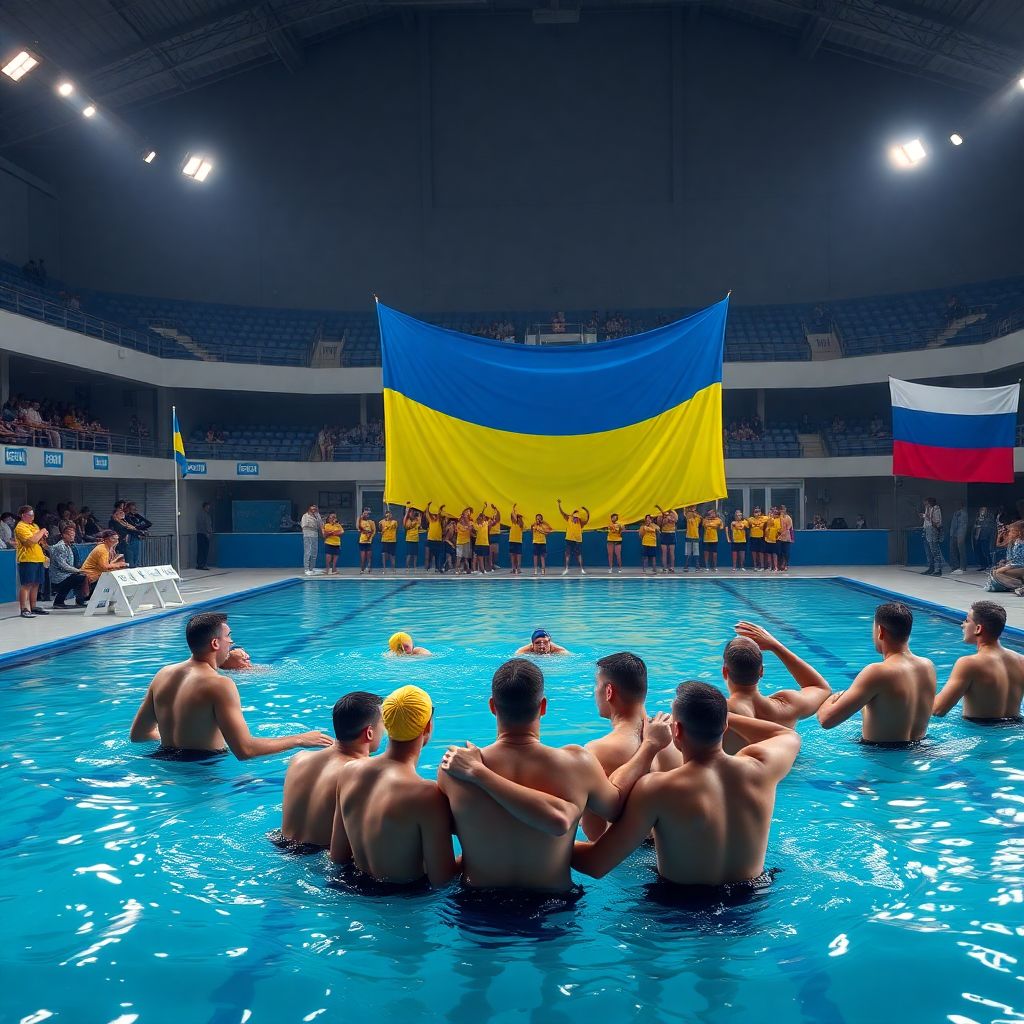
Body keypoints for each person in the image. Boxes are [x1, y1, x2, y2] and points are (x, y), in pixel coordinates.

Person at [437, 660, 673, 892]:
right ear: (543, 706)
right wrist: (649, 746)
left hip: (473, 907)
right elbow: (616, 807)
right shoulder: (577, 764)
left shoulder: (453, 770)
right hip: (553, 909)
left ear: (492, 706)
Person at [571, 682, 801, 896]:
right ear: (725, 725)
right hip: (754, 898)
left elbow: (595, 864)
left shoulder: (657, 788)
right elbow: (786, 734)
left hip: (681, 909)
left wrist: (552, 840)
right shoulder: (762, 767)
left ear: (676, 730)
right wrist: (717, 714)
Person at [129, 612, 332, 759]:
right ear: (215, 643)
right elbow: (245, 750)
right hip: (203, 774)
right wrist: (300, 739)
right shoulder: (220, 684)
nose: (232, 642)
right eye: (228, 637)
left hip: (162, 763)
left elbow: (139, 735)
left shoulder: (163, 674)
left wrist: (181, 740)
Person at [329, 685, 459, 889]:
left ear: (387, 724)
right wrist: (478, 856)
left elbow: (337, 856)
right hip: (406, 900)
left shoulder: (349, 772)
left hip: (355, 888)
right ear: (427, 727)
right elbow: (442, 880)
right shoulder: (426, 794)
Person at [581, 651, 682, 839]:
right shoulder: (676, 738)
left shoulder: (596, 750)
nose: (594, 691)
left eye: (596, 684)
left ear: (609, 691)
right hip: (671, 846)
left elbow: (594, 833)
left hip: (627, 851)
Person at [817, 602, 936, 745]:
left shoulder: (877, 672)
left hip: (880, 754)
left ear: (880, 631)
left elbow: (826, 720)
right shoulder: (928, 666)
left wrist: (831, 697)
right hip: (921, 749)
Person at [280, 692, 383, 850]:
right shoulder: (360, 773)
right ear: (369, 732)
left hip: (280, 845)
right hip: (321, 857)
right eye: (383, 724)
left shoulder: (299, 758)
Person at [722, 623, 831, 747]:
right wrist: (775, 646)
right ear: (761, 671)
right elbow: (820, 687)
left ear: (725, 672)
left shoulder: (720, 712)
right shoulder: (787, 705)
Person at [932, 601, 1024, 724]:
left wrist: (918, 693)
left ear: (978, 628)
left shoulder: (969, 664)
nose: (962, 625)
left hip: (979, 731)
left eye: (967, 621)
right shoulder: (1021, 660)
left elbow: (938, 709)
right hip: (1015, 727)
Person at [14, 505, 49, 619]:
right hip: (27, 559)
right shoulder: (20, 527)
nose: (32, 517)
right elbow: (31, 541)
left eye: (33, 515)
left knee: (36, 584)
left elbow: (39, 541)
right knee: (27, 584)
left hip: (38, 558)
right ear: (22, 515)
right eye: (30, 515)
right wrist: (42, 531)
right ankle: (24, 608)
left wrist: (43, 536)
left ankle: (33, 607)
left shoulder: (34, 526)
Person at [49, 522, 89, 608]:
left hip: (66, 573)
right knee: (79, 577)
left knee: (83, 576)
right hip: (59, 575)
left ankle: (80, 600)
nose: (72, 537)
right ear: (63, 535)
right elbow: (63, 565)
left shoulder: (68, 546)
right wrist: (78, 571)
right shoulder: (60, 547)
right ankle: (58, 602)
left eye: (73, 535)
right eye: (70, 535)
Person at [987, 520, 1024, 594]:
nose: (1010, 533)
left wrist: (1005, 568)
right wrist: (1004, 563)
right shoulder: (1013, 542)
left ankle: (1018, 585)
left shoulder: (1020, 544)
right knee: (994, 572)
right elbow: (999, 545)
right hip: (1015, 566)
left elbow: (1019, 562)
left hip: (1021, 567)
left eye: (1012, 532)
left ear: (1019, 533)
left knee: (998, 574)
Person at [558, 499, 590, 576]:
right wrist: (559, 504)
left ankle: (582, 569)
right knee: (567, 554)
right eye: (574, 516)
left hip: (577, 540)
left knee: (579, 554)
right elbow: (562, 513)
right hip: (569, 539)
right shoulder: (569, 518)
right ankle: (566, 569)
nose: (575, 518)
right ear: (572, 516)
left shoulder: (581, 522)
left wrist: (586, 510)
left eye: (577, 517)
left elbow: (587, 519)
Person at [921, 497, 943, 576]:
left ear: (930, 503)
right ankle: (931, 568)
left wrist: (926, 516)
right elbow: (926, 521)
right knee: (928, 551)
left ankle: (938, 569)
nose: (925, 505)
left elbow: (936, 522)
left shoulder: (936, 509)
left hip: (933, 531)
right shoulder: (927, 509)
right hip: (927, 530)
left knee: (935, 551)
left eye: (926, 503)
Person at [300, 504, 323, 576]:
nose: (314, 509)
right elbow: (304, 526)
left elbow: (320, 524)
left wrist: (318, 515)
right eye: (312, 508)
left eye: (315, 508)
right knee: (308, 552)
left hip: (315, 534)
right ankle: (306, 569)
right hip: (307, 534)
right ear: (309, 508)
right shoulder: (305, 516)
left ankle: (311, 568)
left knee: (314, 552)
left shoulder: (317, 516)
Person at [655, 505, 678, 573]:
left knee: (671, 552)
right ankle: (664, 568)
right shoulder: (660, 515)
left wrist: (669, 518)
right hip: (664, 534)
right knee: (664, 552)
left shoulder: (673, 512)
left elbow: (675, 520)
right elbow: (659, 524)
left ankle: (672, 567)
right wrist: (664, 519)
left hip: (671, 534)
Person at [424, 502, 446, 573]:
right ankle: (427, 568)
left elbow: (439, 515)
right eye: (433, 515)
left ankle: (438, 568)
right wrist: (428, 506)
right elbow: (427, 513)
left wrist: (440, 508)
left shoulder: (439, 521)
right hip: (430, 540)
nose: (434, 517)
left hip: (438, 541)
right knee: (428, 556)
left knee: (438, 555)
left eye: (435, 516)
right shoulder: (430, 520)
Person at [948, 502, 969, 575]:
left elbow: (963, 526)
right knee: (953, 550)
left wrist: (961, 536)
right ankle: (955, 566)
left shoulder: (963, 513)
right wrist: (952, 534)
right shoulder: (955, 513)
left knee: (961, 551)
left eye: (957, 505)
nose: (955, 506)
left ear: (961, 505)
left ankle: (963, 566)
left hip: (960, 535)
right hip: (953, 534)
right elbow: (953, 524)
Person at [746, 506, 768, 571]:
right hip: (753, 537)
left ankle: (762, 566)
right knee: (754, 552)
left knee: (761, 552)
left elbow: (768, 518)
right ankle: (755, 566)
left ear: (761, 512)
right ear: (753, 513)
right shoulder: (751, 519)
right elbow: (747, 521)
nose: (757, 513)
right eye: (755, 512)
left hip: (761, 537)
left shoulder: (764, 518)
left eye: (758, 511)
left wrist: (759, 520)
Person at [403, 504, 422, 573]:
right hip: (409, 539)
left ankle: (415, 567)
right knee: (409, 554)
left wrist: (419, 515)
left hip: (416, 539)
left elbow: (419, 524)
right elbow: (407, 526)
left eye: (413, 512)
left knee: (415, 554)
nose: (413, 513)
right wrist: (407, 511)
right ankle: (407, 567)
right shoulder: (408, 520)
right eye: (412, 512)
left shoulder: (417, 519)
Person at [473, 508, 493, 574]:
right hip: (479, 543)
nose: (482, 518)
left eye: (483, 517)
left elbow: (492, 522)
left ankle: (486, 568)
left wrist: (484, 508)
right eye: (480, 517)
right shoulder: (476, 525)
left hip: (485, 543)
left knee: (485, 556)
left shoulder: (486, 523)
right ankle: (482, 569)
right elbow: (476, 523)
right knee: (480, 557)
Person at [682, 506, 701, 572]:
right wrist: (688, 509)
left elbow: (699, 517)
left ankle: (697, 567)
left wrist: (693, 512)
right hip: (688, 537)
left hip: (696, 537)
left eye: (694, 511)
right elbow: (685, 513)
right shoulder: (688, 518)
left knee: (696, 553)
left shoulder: (698, 518)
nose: (693, 513)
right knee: (688, 552)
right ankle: (686, 566)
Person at [195, 501, 214, 571]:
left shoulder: (199, 515)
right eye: (207, 507)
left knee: (200, 550)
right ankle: (203, 565)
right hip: (204, 534)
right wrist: (208, 532)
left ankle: (199, 564)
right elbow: (207, 525)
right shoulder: (205, 515)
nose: (208, 508)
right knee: (204, 550)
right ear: (204, 507)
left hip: (200, 534)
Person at [508, 504, 526, 576]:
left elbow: (519, 521)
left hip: (518, 541)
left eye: (519, 518)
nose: (518, 519)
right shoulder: (513, 523)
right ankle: (513, 568)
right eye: (518, 518)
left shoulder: (521, 525)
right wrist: (513, 509)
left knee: (518, 555)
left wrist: (515, 512)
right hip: (512, 541)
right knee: (512, 555)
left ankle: (518, 568)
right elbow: (512, 515)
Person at [357, 507, 376, 574]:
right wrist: (359, 518)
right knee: (363, 557)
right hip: (362, 541)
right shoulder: (360, 521)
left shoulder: (371, 522)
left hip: (369, 541)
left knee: (369, 556)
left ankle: (369, 568)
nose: (366, 515)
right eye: (364, 513)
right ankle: (362, 569)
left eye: (367, 514)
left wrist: (370, 537)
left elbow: (373, 531)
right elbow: (358, 528)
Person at [778, 504, 794, 572]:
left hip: (787, 537)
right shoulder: (779, 517)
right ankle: (781, 564)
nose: (782, 510)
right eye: (781, 509)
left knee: (786, 552)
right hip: (779, 537)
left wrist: (792, 538)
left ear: (785, 509)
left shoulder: (788, 518)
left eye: (783, 509)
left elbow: (790, 528)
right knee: (780, 552)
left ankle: (786, 565)